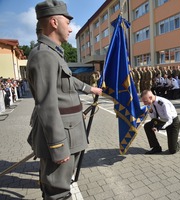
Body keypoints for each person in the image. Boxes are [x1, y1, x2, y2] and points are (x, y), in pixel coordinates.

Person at [26, 1, 103, 199]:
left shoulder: (54, 53)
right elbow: (47, 105)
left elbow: (68, 82)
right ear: (53, 22)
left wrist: (90, 88)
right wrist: (58, 147)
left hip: (70, 130)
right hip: (62, 136)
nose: (70, 28)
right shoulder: (44, 55)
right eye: (67, 23)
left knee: (59, 185)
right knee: (58, 191)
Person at [141, 90, 180, 154]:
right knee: (147, 126)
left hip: (173, 123)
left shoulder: (163, 103)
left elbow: (169, 120)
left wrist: (158, 128)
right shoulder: (152, 103)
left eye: (145, 101)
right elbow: (154, 117)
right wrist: (151, 113)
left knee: (173, 150)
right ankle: (156, 147)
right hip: (163, 121)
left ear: (150, 97)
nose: (144, 104)